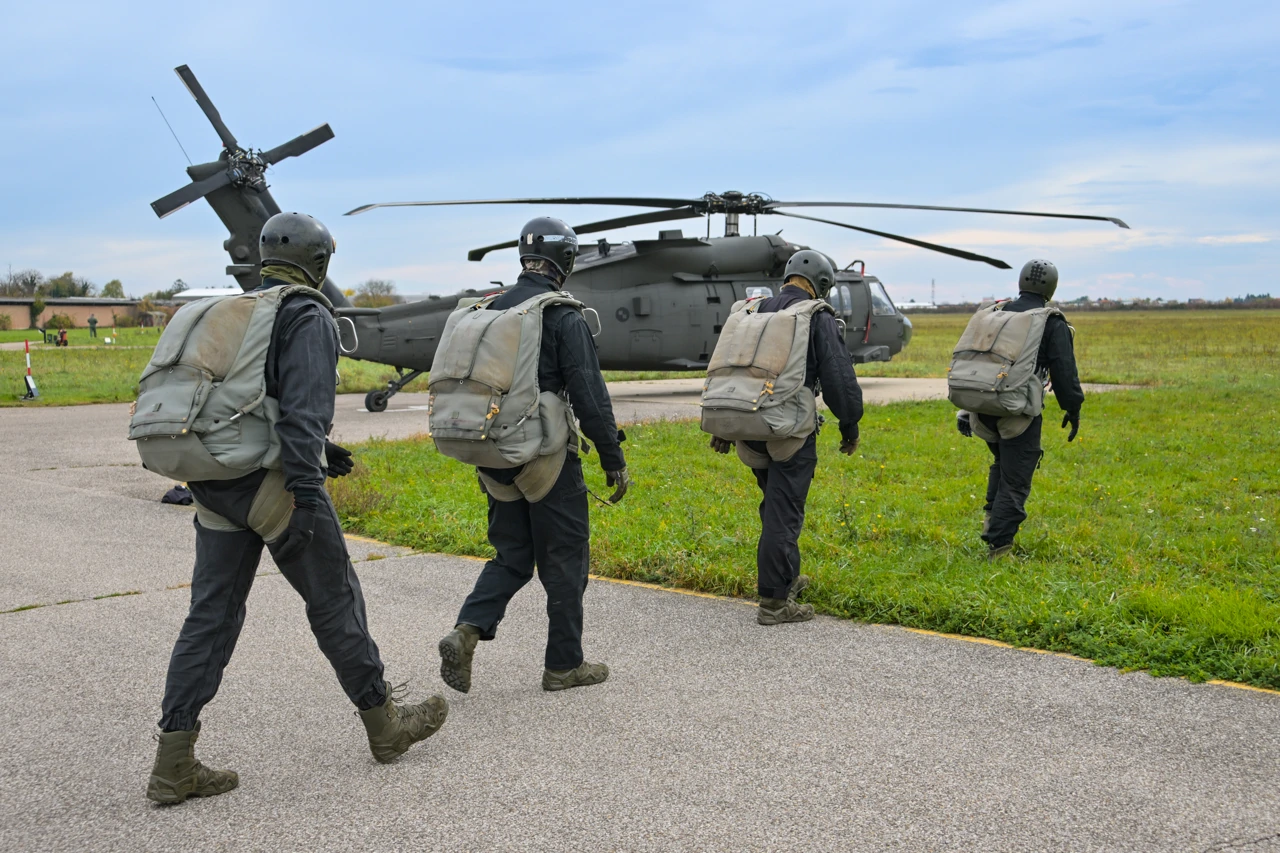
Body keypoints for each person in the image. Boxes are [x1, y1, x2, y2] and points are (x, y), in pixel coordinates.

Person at [144, 212, 446, 806]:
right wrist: (307, 493)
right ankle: (386, 727)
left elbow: (251, 400)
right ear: (321, 263)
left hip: (212, 481)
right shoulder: (306, 312)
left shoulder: (234, 310)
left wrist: (313, 450)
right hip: (270, 487)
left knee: (211, 617)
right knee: (335, 600)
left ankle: (173, 761)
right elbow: (306, 412)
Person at [437, 217, 629, 694]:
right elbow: (589, 394)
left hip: (494, 454)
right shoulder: (561, 315)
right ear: (565, 259)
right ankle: (565, 666)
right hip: (545, 458)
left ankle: (467, 630)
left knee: (513, 555)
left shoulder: (491, 309)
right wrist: (612, 457)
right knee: (565, 559)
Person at [707, 250, 864, 625]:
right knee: (784, 513)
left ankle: (786, 577)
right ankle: (776, 603)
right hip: (788, 431)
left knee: (775, 507)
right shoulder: (816, 316)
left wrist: (723, 429)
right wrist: (850, 424)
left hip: (747, 426)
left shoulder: (751, 311)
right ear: (821, 285)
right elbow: (840, 380)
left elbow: (730, 369)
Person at [954, 259, 1084, 559]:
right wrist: (1073, 408)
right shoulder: (1051, 321)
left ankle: (992, 526)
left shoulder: (996, 313)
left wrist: (965, 410)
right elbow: (1064, 371)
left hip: (982, 406)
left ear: (1021, 282)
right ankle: (999, 547)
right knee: (1015, 479)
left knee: (1002, 466)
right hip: (1017, 411)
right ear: (1051, 287)